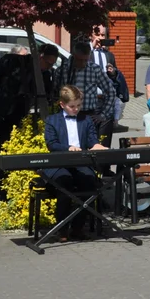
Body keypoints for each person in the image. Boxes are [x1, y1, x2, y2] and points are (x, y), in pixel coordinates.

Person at [0, 44, 59, 212]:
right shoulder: (11, 61)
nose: (49, 67)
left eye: (52, 65)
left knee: (4, 159)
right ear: (39, 56)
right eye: (48, 63)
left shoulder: (44, 75)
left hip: (14, 119)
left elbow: (48, 97)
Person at [44, 85, 108, 241]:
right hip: (59, 163)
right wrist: (68, 147)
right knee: (64, 182)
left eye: (79, 106)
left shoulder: (85, 120)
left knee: (88, 181)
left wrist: (97, 146)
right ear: (62, 104)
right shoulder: (52, 120)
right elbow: (52, 144)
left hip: (80, 162)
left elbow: (92, 139)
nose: (76, 109)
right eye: (72, 106)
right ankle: (62, 229)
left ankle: (78, 228)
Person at [55, 41, 116, 148]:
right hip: (67, 115)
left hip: (88, 115)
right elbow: (55, 93)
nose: (83, 63)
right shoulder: (63, 70)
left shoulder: (94, 69)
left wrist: (103, 115)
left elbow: (111, 91)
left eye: (85, 60)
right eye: (79, 60)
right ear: (73, 56)